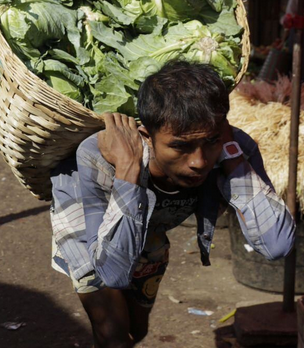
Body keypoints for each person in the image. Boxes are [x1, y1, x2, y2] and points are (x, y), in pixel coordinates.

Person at [50, 61, 295, 347]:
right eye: (180, 146)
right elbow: (112, 273)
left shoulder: (233, 147)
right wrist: (128, 169)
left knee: (136, 331)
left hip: (150, 231)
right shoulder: (98, 155)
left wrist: (231, 153)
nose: (199, 162)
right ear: (147, 137)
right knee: (113, 335)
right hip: (86, 223)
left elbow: (277, 244)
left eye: (211, 140)